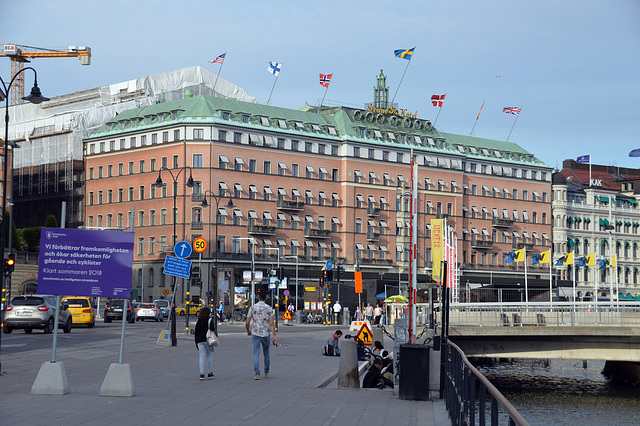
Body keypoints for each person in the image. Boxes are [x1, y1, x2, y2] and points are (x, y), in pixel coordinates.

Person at [246, 292, 278, 380]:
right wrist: (275, 337)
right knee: (266, 352)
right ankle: (266, 371)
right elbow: (271, 324)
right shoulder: (269, 308)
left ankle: (257, 373)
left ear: (258, 298)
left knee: (256, 353)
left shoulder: (253, 307)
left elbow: (247, 322)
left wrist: (248, 330)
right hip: (266, 333)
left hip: (255, 333)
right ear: (266, 298)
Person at [194, 306, 215, 380]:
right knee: (209, 356)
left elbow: (196, 332)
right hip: (207, 340)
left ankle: (201, 374)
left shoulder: (199, 321)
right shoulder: (209, 320)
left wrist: (196, 343)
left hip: (200, 340)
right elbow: (212, 328)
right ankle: (210, 373)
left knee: (201, 356)